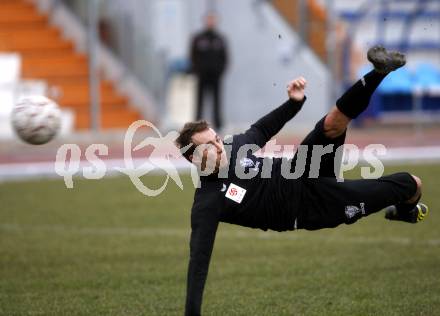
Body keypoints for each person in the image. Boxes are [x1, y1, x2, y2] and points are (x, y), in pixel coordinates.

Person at [175, 46, 429, 316]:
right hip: (310, 206)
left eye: (216, 138)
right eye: (210, 145)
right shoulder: (207, 202)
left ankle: (379, 72)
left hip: (302, 168)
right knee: (412, 183)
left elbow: (260, 130)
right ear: (194, 158)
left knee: (332, 122)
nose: (219, 145)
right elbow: (198, 263)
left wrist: (293, 103)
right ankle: (407, 210)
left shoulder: (232, 147)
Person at [190, 13, 228, 130]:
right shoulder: (198, 38)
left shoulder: (220, 39)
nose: (211, 22)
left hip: (216, 76)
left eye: (213, 20)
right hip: (202, 75)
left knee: (217, 101)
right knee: (199, 100)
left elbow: (225, 57)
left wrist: (220, 71)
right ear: (205, 21)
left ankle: (218, 124)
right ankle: (198, 124)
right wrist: (197, 70)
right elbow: (193, 56)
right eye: (209, 19)